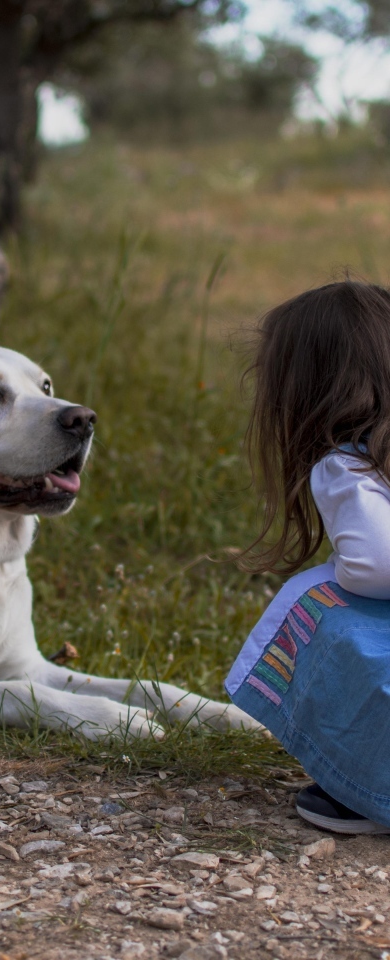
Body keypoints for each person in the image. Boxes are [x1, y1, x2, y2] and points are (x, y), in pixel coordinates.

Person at [226, 280, 390, 835]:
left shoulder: (350, 466)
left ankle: (366, 786)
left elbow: (377, 565)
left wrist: (338, 576)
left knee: (322, 605)